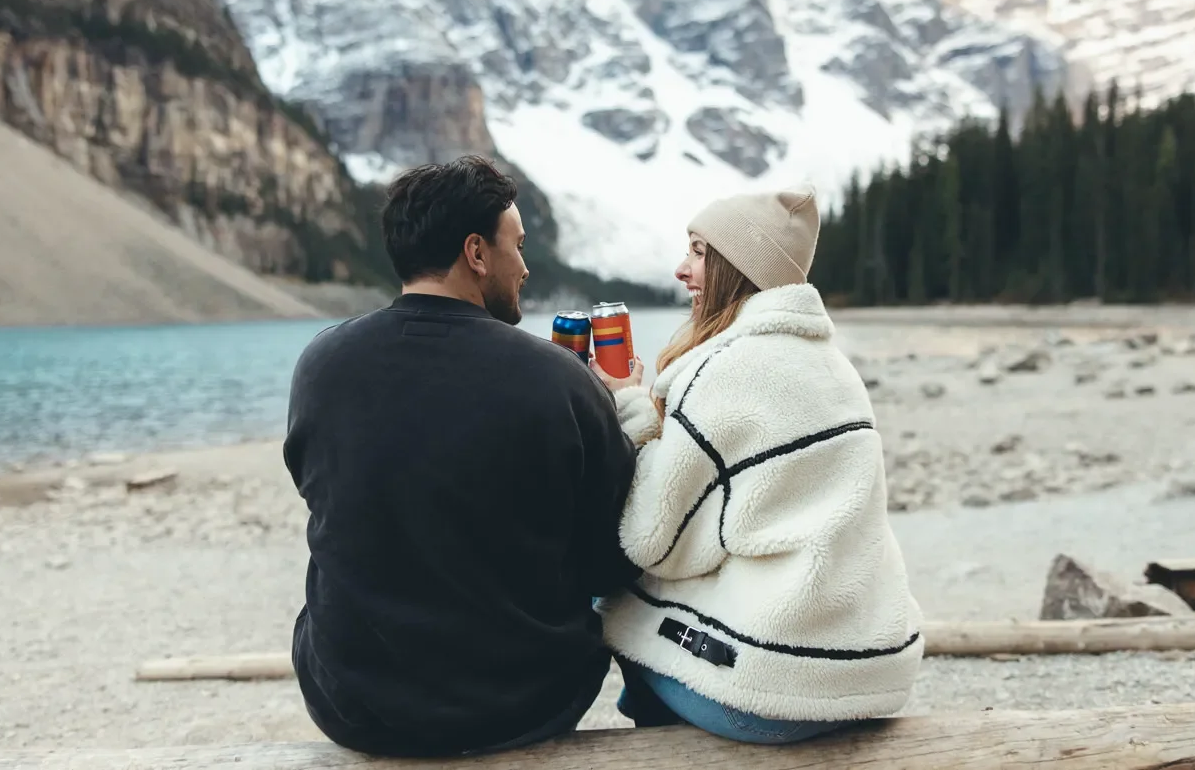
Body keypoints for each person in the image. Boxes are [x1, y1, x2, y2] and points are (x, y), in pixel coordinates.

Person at [283, 155, 638, 757]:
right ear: (477, 254)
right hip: (523, 703)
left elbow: (322, 494)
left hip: (351, 703)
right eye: (517, 246)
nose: (524, 267)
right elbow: (615, 563)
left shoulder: (320, 364)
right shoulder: (559, 380)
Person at [591, 186, 923, 744]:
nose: (681, 269)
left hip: (778, 693)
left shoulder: (721, 370)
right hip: (875, 669)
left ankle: (661, 744)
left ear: (735, 267)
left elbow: (652, 542)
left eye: (697, 252)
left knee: (611, 597)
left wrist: (627, 404)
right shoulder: (833, 366)